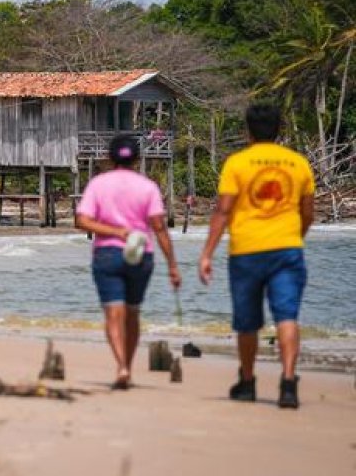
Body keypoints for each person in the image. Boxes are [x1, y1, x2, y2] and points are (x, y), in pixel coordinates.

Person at [199, 103, 314, 409]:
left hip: (246, 251)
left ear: (247, 130)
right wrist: (294, 238)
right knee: (287, 316)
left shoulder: (237, 163)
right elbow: (308, 213)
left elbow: (223, 211)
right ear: (279, 129)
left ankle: (248, 382)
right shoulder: (298, 163)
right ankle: (288, 383)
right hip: (288, 250)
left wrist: (207, 254)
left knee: (247, 322)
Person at [76, 134, 182, 389]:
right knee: (132, 313)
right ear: (137, 158)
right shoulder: (148, 187)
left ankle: (121, 366)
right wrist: (173, 266)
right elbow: (159, 228)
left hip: (107, 253)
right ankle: (128, 366)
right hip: (140, 254)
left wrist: (114, 232)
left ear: (110, 157)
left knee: (113, 313)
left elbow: (82, 220)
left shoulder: (98, 184)